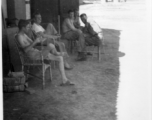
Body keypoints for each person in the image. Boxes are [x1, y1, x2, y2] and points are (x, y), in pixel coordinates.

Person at [16, 19, 74, 86]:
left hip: (37, 53)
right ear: (23, 28)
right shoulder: (19, 37)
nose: (29, 29)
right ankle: (57, 53)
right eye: (28, 27)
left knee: (60, 58)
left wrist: (38, 39)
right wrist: (35, 42)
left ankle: (64, 80)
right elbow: (25, 50)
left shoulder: (24, 35)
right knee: (50, 45)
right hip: (32, 56)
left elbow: (32, 43)